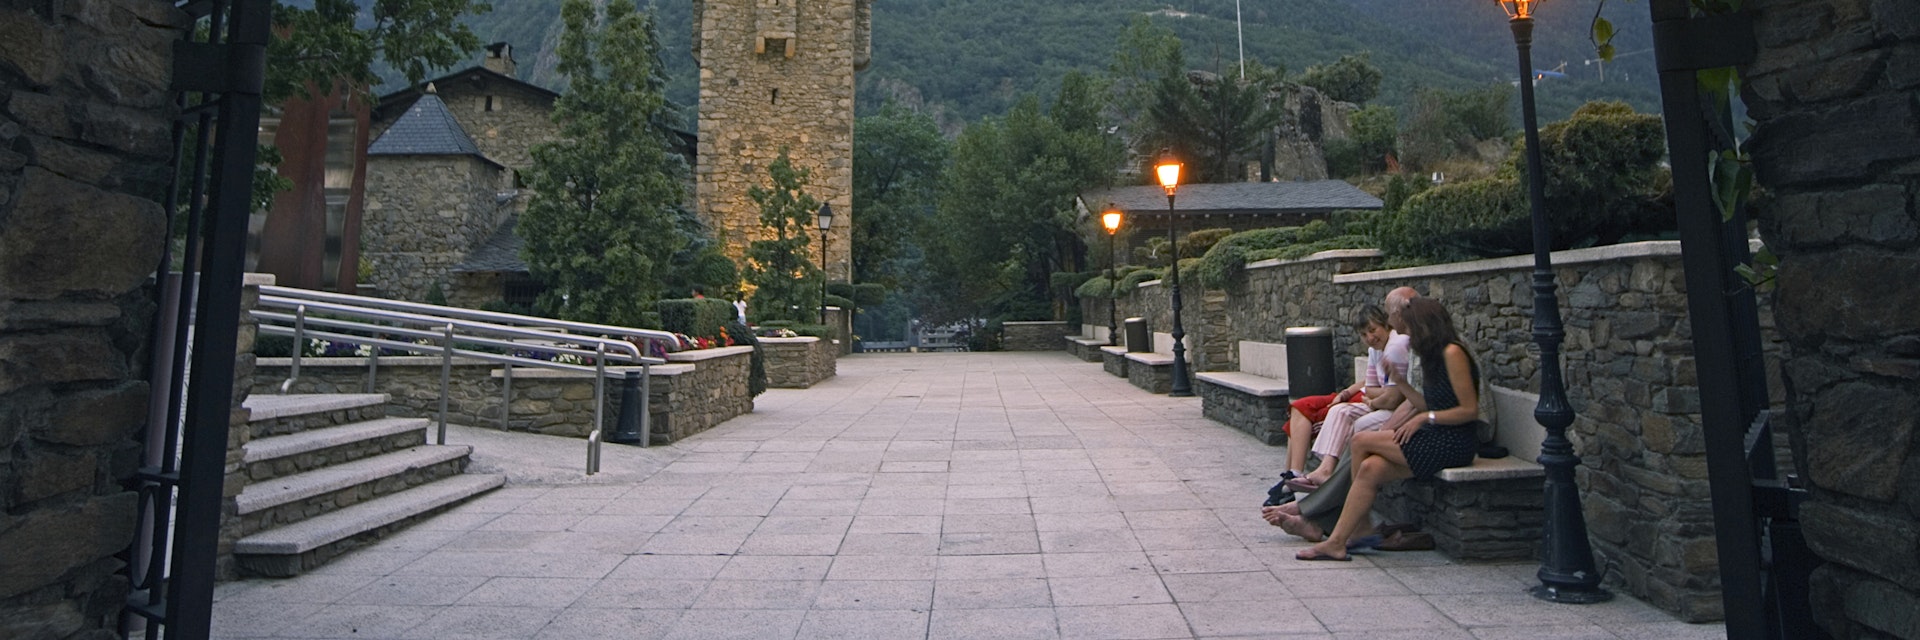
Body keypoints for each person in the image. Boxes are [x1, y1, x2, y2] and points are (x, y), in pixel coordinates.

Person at [1291, 297, 1484, 561]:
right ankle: (1342, 539)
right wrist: (1400, 382)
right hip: (1436, 435)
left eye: (1410, 328)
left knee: (1361, 441)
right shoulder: (1433, 356)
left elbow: (1469, 410)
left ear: (1425, 325)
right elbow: (1427, 403)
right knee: (1370, 469)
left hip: (1453, 441)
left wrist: (1424, 418)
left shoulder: (1453, 352)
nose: (1408, 336)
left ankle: (1357, 529)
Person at [1285, 305, 1411, 491]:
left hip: (1397, 410)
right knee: (1339, 410)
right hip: (1379, 404)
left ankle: (1340, 486)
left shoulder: (1395, 347)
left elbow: (1393, 399)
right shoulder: (1375, 350)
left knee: (1357, 426)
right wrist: (1376, 395)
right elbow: (1370, 388)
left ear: (1385, 324)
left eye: (1373, 330)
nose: (1370, 338)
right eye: (1364, 334)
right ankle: (1324, 470)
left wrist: (1374, 400)